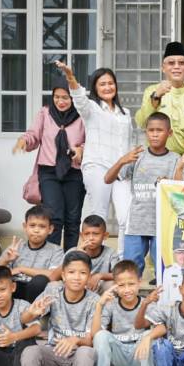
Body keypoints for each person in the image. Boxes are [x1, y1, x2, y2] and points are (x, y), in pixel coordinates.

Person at [56, 61, 133, 256]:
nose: (107, 87)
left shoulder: (125, 113)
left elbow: (129, 142)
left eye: (110, 83)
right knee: (99, 217)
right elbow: (78, 97)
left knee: (126, 217)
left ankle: (121, 260)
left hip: (122, 171)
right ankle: (94, 258)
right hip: (98, 167)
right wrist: (70, 76)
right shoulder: (91, 108)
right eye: (102, 84)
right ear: (95, 88)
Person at [105, 112, 179, 279]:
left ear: (169, 133)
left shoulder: (176, 159)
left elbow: (181, 191)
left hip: (162, 224)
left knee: (163, 270)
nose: (154, 134)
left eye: (159, 130)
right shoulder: (137, 156)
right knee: (130, 270)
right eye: (151, 130)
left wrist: (169, 183)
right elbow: (108, 179)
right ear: (146, 132)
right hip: (136, 223)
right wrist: (122, 161)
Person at [14, 81, 85, 250]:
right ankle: (52, 258)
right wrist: (24, 141)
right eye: (57, 97)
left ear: (73, 98)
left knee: (73, 219)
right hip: (49, 172)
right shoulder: (45, 113)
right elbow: (33, 134)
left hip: (74, 172)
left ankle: (69, 258)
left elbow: (92, 141)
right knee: (54, 217)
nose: (60, 101)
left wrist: (81, 150)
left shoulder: (83, 115)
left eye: (65, 97)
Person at [87, 260, 157, 366]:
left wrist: (148, 336)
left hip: (139, 357)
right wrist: (99, 305)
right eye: (121, 285)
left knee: (149, 334)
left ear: (139, 282)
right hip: (117, 358)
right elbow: (95, 334)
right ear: (115, 286)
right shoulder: (111, 304)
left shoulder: (148, 303)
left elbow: (159, 329)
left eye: (131, 284)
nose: (127, 289)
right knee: (101, 335)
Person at [136, 41, 184, 155]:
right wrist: (156, 96)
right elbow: (141, 123)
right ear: (163, 68)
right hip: (158, 158)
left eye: (181, 63)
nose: (176, 67)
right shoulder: (152, 90)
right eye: (171, 63)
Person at [0, 205, 65, 303]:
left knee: (40, 281)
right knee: (3, 281)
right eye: (32, 225)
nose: (36, 230)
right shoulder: (16, 247)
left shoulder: (56, 250)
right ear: (25, 227)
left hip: (38, 293)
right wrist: (5, 260)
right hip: (15, 291)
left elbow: (53, 274)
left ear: (50, 229)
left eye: (42, 226)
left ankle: (32, 311)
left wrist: (21, 269)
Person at [62, 215, 119, 294]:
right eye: (87, 234)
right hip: (76, 287)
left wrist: (100, 275)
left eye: (96, 234)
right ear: (81, 236)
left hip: (98, 290)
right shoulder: (73, 251)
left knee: (113, 285)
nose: (91, 238)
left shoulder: (110, 253)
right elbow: (60, 274)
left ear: (105, 236)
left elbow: (120, 274)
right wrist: (76, 254)